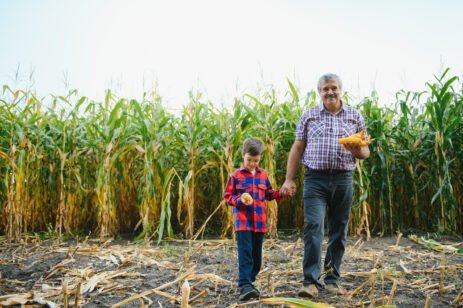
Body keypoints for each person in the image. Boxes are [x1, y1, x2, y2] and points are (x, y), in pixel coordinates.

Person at [280, 73, 370, 298]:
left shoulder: (354, 116)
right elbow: (297, 148)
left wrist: (357, 149)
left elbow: (366, 151)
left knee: (339, 229)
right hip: (315, 179)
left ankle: (331, 280)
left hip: (343, 179)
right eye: (325, 89)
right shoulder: (309, 116)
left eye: (334, 88)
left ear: (341, 90)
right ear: (319, 92)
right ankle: (310, 281)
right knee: (314, 228)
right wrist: (289, 179)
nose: (330, 92)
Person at [224, 137, 282, 301]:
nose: (252, 164)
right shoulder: (235, 176)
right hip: (243, 222)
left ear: (260, 158)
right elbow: (228, 197)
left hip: (259, 223)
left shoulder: (263, 175)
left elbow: (268, 194)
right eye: (249, 160)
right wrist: (239, 200)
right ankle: (245, 285)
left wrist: (280, 194)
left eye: (255, 161)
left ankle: (250, 281)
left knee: (257, 257)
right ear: (243, 155)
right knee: (245, 253)